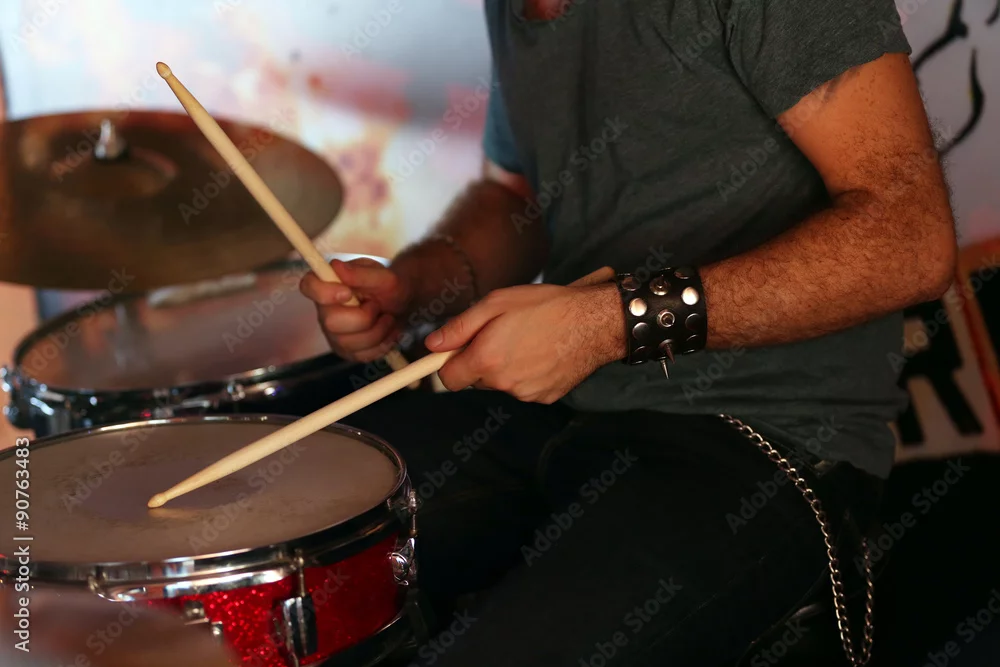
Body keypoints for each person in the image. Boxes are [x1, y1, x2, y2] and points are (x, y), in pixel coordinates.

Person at [301, 1, 956, 664]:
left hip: (766, 436)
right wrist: (413, 287)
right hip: (569, 409)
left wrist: (607, 323)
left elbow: (909, 239)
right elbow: (519, 200)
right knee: (295, 540)